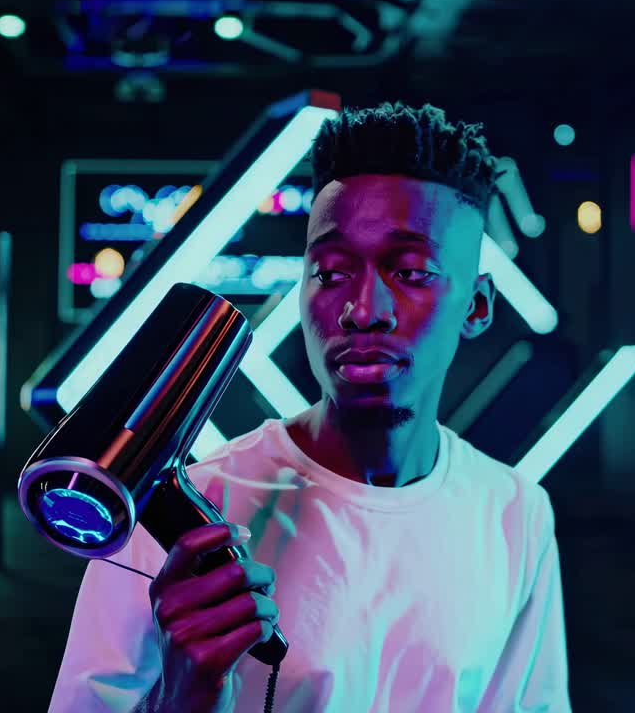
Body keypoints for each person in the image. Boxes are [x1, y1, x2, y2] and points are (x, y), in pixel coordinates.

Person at [49, 101, 571, 712]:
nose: (363, 309)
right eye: (330, 272)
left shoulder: (516, 513)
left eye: (410, 271)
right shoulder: (179, 516)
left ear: (477, 307)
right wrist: (185, 695)